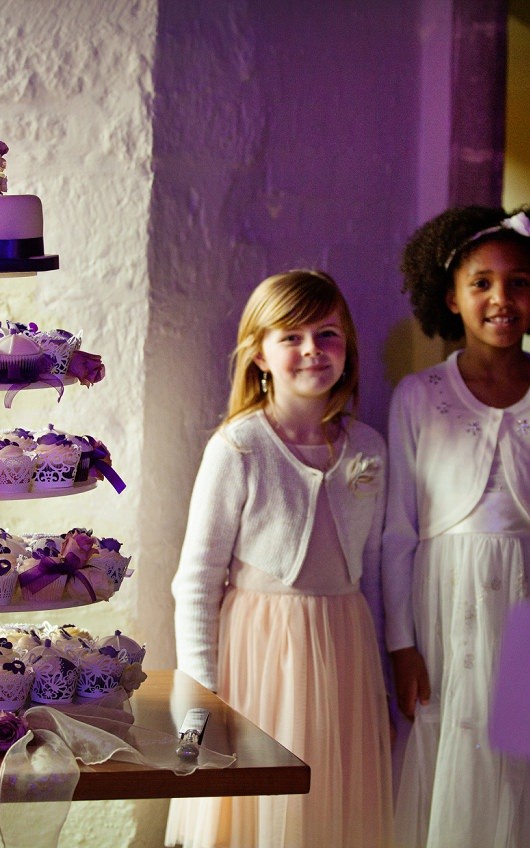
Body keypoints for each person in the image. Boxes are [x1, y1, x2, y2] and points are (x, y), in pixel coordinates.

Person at [384, 205, 530, 847]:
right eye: (480, 282)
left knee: (525, 769)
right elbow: (398, 534)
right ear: (451, 297)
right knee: (449, 746)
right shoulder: (418, 396)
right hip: (443, 607)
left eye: (518, 283)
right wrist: (401, 642)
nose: (500, 299)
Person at [166, 270, 393, 848]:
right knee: (262, 806)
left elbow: (378, 563)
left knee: (331, 803)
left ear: (348, 348)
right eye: (291, 337)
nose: (312, 350)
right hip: (262, 651)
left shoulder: (367, 447)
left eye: (328, 334)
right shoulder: (239, 447)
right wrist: (201, 691)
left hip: (344, 645)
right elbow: (196, 581)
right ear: (259, 355)